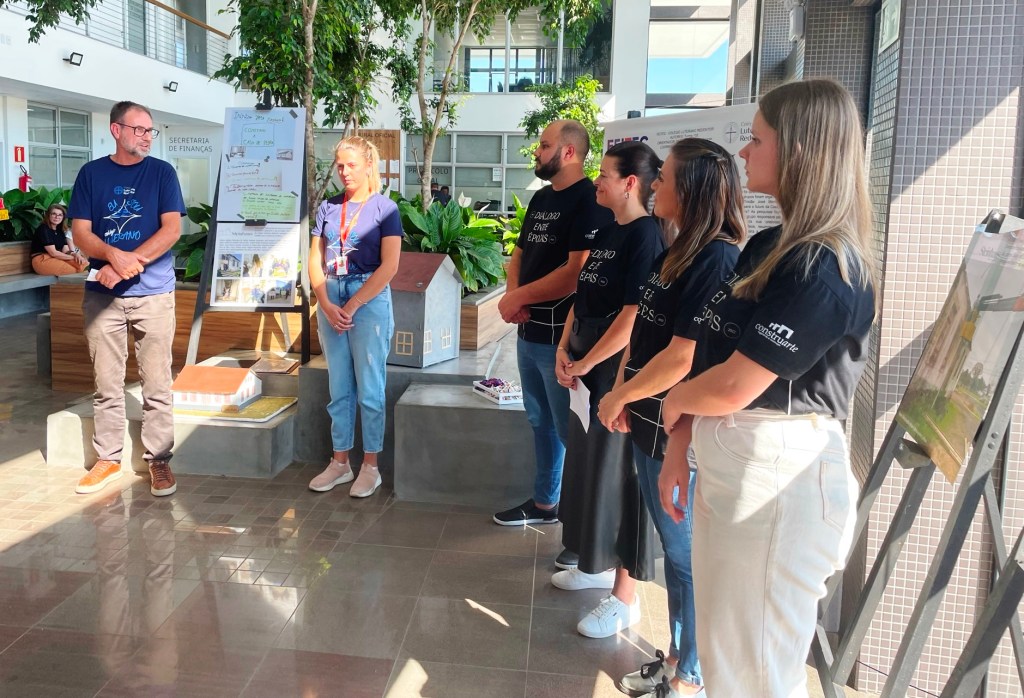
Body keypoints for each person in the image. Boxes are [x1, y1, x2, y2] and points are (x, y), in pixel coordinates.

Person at [657, 79, 876, 697]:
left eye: (756, 140)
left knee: (755, 676)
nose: (744, 152)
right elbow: (716, 358)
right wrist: (680, 441)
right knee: (730, 662)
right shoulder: (767, 247)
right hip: (735, 471)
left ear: (799, 150)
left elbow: (733, 384)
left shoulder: (827, 266)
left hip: (778, 483)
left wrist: (673, 402)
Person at [597, 138, 746, 697]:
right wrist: (623, 392)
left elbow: (683, 357)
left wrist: (621, 396)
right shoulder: (676, 249)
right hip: (649, 423)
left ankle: (690, 675)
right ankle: (681, 659)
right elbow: (644, 331)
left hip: (680, 434)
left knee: (687, 562)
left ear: (693, 189)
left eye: (666, 178)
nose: (656, 184)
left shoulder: (718, 259)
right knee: (678, 558)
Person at [552, 141, 664, 639]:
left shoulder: (647, 236)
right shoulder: (608, 229)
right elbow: (583, 297)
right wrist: (564, 348)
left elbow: (633, 316)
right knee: (587, 467)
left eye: (604, 175)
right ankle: (591, 563)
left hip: (613, 371)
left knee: (618, 475)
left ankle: (624, 596)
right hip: (585, 365)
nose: (596, 182)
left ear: (630, 183)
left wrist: (588, 361)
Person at [493, 120, 613, 545]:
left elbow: (575, 272)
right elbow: (520, 253)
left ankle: (583, 531)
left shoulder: (590, 201)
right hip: (528, 332)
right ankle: (546, 504)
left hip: (561, 342)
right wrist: (514, 298)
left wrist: (518, 297)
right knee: (539, 421)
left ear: (569, 152)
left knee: (568, 429)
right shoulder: (542, 197)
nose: (537, 151)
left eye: (544, 145)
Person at [70, 100, 186, 497]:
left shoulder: (162, 173)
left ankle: (159, 460)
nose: (147, 137)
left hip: (153, 294)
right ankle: (108, 459)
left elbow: (171, 231)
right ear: (116, 130)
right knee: (106, 383)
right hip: (101, 297)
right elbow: (81, 234)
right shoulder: (91, 174)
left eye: (150, 130)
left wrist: (121, 266)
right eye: (139, 129)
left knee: (157, 382)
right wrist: (111, 256)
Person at [308, 135, 402, 498]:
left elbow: (390, 266)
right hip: (331, 294)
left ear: (368, 165)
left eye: (351, 165)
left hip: (368, 299)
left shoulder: (385, 209)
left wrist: (353, 305)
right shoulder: (328, 208)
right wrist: (324, 302)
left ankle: (371, 467)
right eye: (340, 165)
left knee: (370, 387)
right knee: (339, 387)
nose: (344, 172)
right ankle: (340, 463)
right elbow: (314, 259)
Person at [30, 203, 89, 275]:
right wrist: (72, 258)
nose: (57, 217)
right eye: (54, 214)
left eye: (60, 215)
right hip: (42, 259)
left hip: (58, 257)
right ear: (48, 215)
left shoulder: (60, 230)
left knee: (85, 265)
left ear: (63, 217)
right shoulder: (43, 229)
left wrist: (75, 254)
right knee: (73, 270)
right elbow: (53, 253)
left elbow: (65, 250)